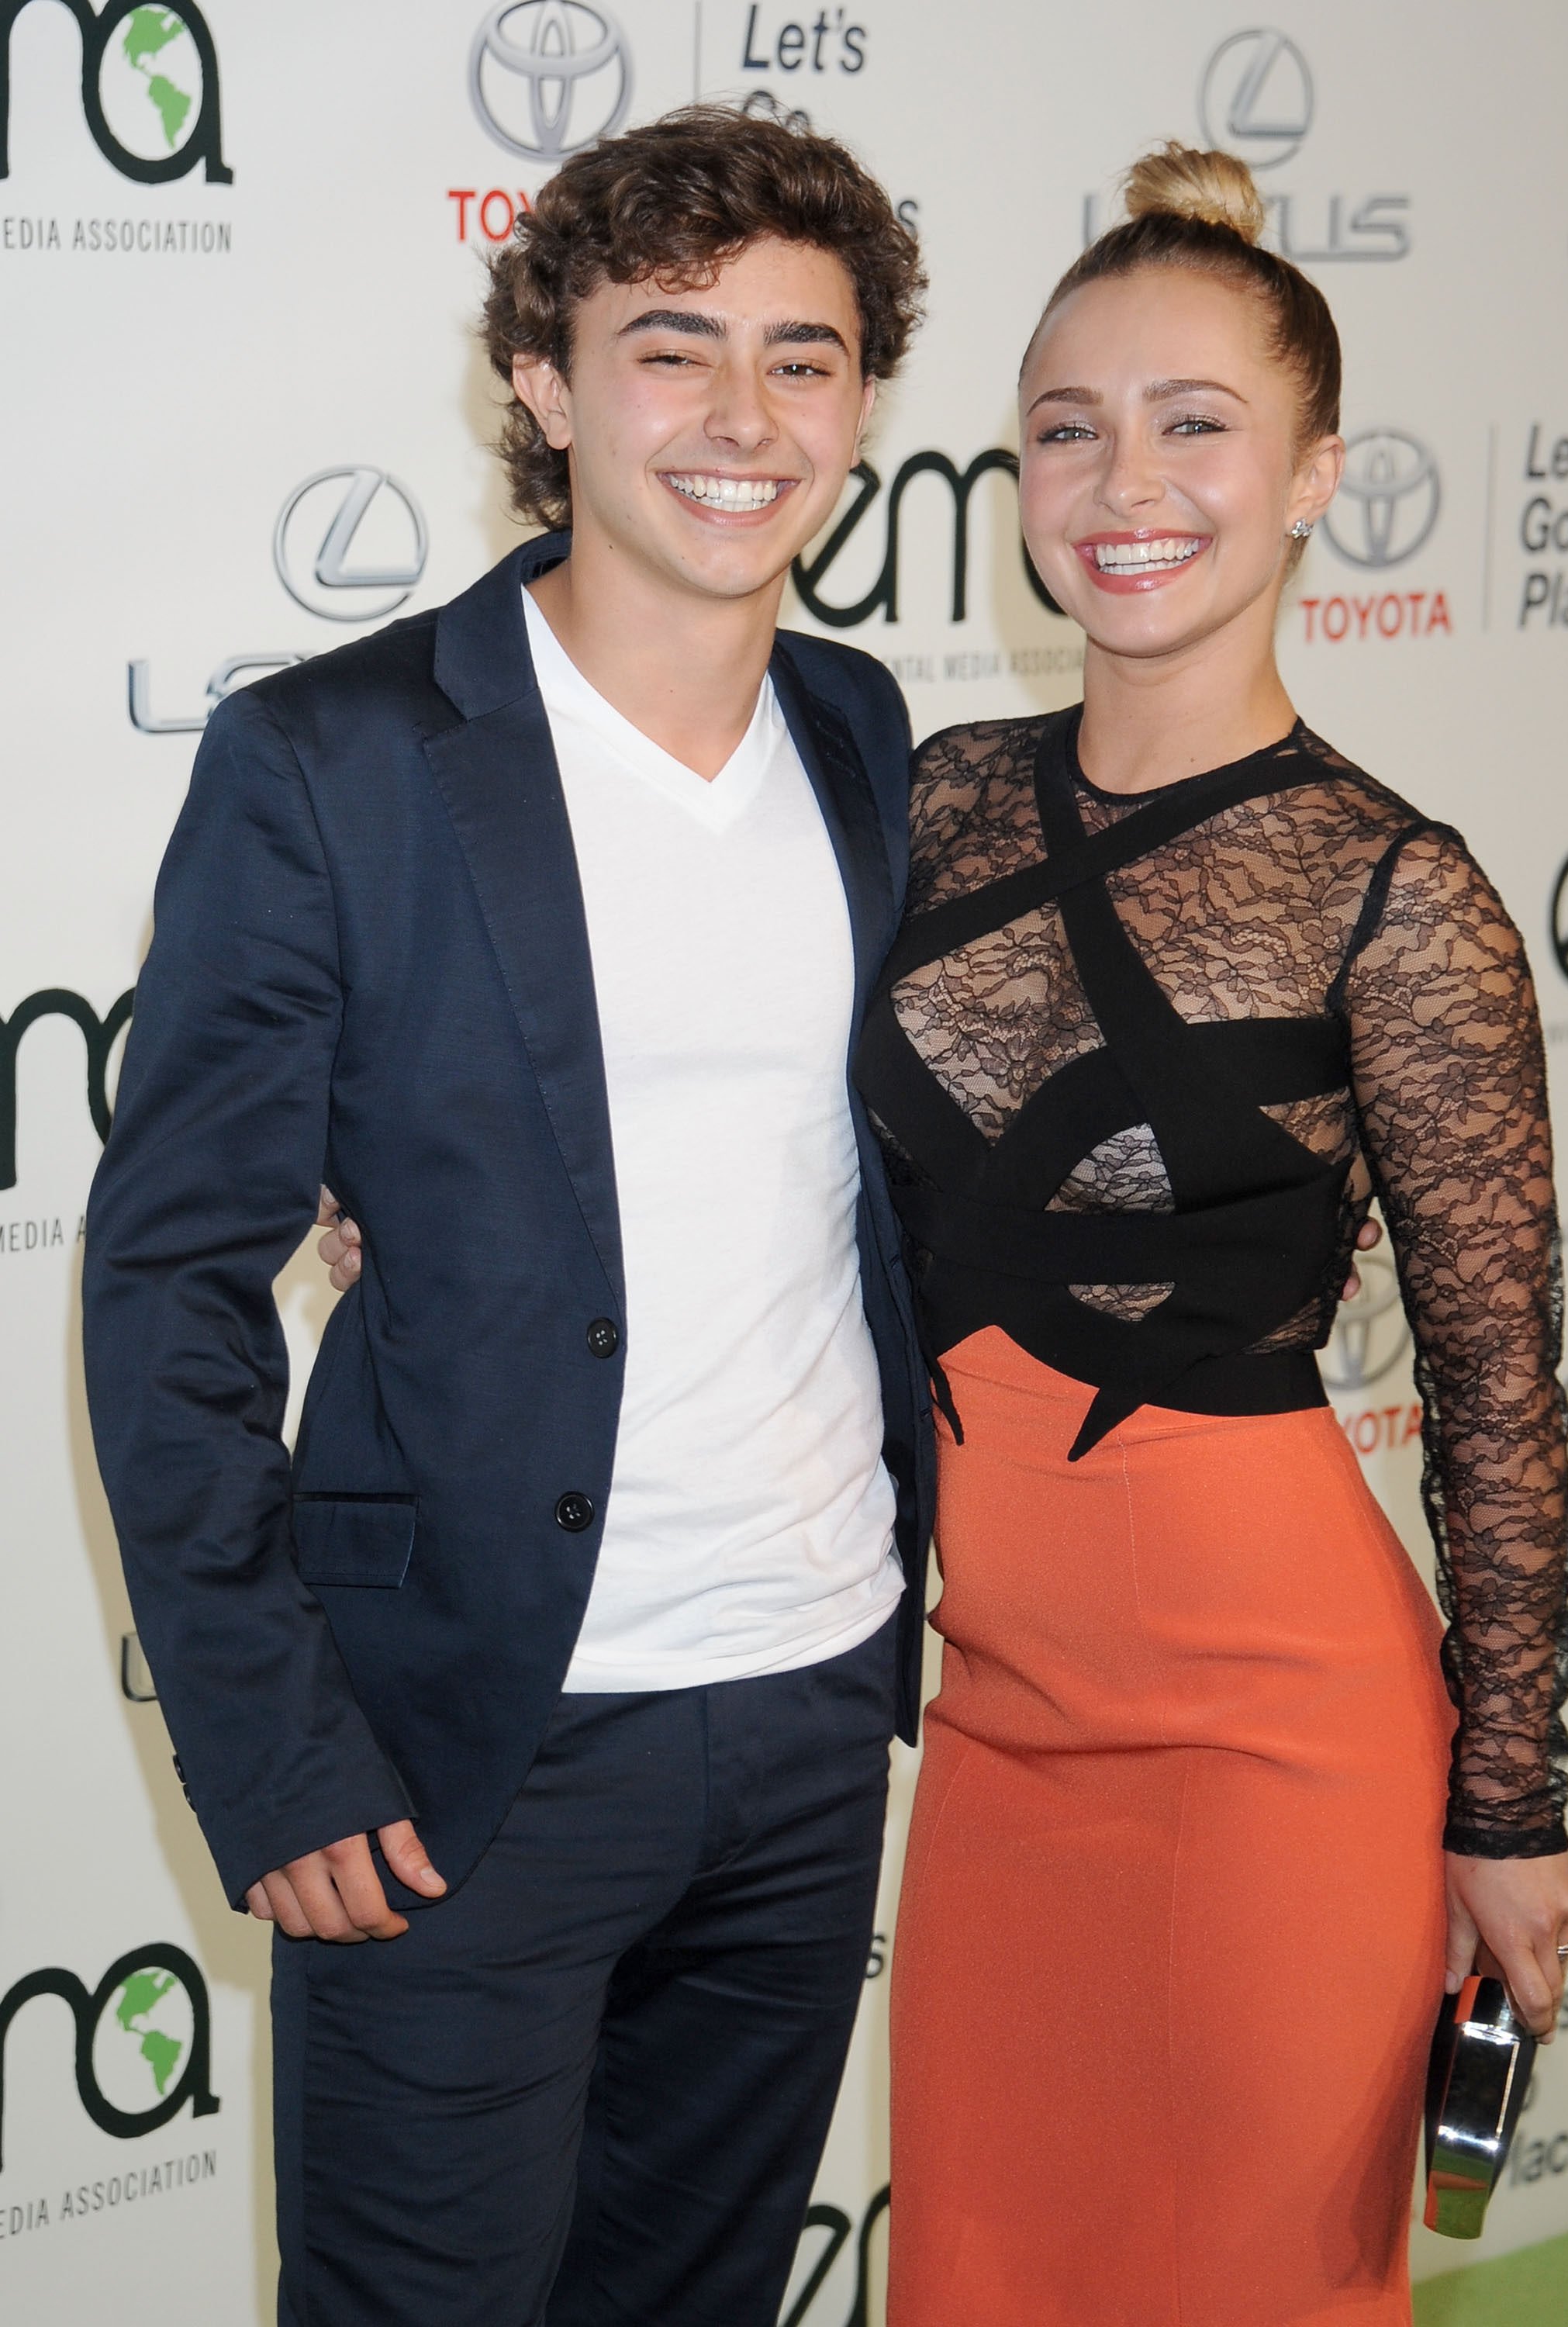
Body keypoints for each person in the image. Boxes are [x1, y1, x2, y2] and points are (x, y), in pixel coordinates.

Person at [81, 107, 935, 2327]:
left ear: (860, 406)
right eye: (674, 348)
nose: (744, 418)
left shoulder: (862, 733)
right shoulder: (336, 762)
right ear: (546, 388)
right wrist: (273, 1749)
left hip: (808, 1698)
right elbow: (170, 1280)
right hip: (468, 1743)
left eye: (805, 357)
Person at [864, 147, 1568, 2325]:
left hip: (1281, 1742)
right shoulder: (915, 798)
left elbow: (1496, 1396)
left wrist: (1514, 1809)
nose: (1124, 480)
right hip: (992, 1725)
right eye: (1069, 425)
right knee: (981, 2280)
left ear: (1314, 479)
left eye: (1197, 423)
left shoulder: (1403, 896)